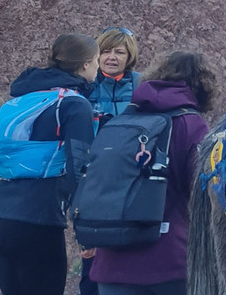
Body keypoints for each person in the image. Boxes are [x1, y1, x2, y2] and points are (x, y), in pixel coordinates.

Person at [89, 51, 215, 295]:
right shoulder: (191, 124)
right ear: (203, 87)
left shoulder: (124, 118)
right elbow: (203, 190)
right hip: (170, 263)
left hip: (112, 262)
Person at [0, 33, 99, 295]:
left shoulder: (23, 97)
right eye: (97, 61)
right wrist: (85, 230)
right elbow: (80, 168)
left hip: (4, 213)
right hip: (40, 219)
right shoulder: (74, 105)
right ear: (86, 64)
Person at [80, 26, 142, 295]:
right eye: (106, 51)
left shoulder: (142, 86)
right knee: (91, 254)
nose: (112, 57)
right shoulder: (85, 86)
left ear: (130, 56)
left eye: (119, 52)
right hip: (93, 177)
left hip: (131, 176)